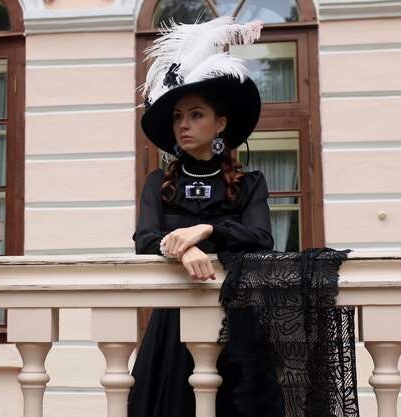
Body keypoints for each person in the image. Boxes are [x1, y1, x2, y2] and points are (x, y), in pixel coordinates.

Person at [128, 16, 286, 417]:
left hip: (235, 318)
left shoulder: (249, 183)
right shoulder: (156, 183)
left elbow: (262, 239)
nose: (183, 124)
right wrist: (183, 250)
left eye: (196, 114)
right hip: (172, 320)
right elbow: (145, 239)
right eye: (178, 116)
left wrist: (207, 228)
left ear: (220, 123)